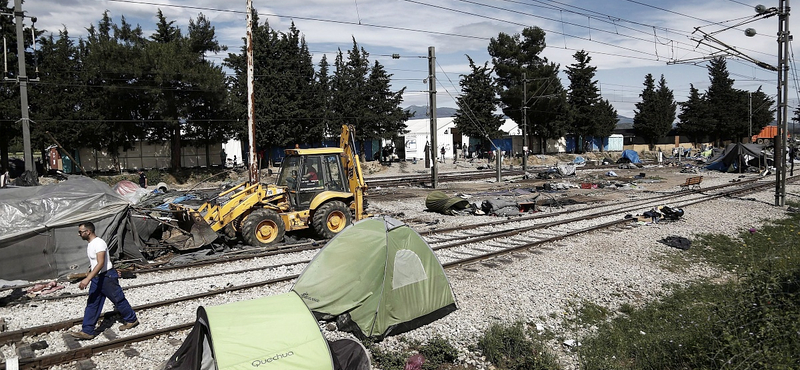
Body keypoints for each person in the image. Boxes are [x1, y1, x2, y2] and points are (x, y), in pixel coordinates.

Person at [71, 222, 139, 340]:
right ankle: (87, 331)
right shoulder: (91, 244)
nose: (79, 234)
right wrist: (90, 273)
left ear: (88, 232)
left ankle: (131, 319)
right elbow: (94, 263)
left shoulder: (99, 243)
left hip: (107, 277)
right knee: (92, 303)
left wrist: (87, 279)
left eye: (80, 232)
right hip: (98, 278)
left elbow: (101, 263)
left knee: (118, 300)